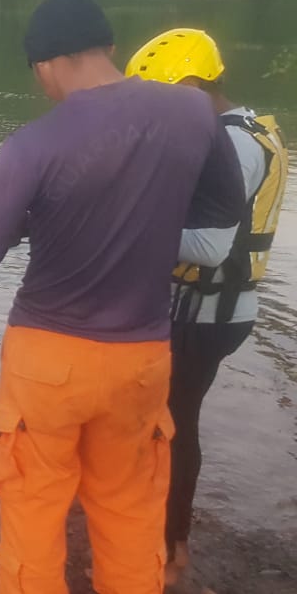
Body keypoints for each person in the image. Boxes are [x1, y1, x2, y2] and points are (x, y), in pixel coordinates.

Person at [0, 0, 245, 594]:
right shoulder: (193, 113)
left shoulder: (33, 145)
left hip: (47, 362)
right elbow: (222, 212)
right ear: (108, 46)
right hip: (142, 359)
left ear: (45, 64)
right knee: (131, 515)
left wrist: (29, 217)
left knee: (34, 514)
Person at [126, 28, 290, 586]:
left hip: (208, 310)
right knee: (162, 418)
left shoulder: (233, 145)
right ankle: (162, 532)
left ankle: (170, 546)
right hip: (209, 305)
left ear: (193, 86)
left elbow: (207, 244)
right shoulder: (240, 130)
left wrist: (126, 221)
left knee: (172, 424)